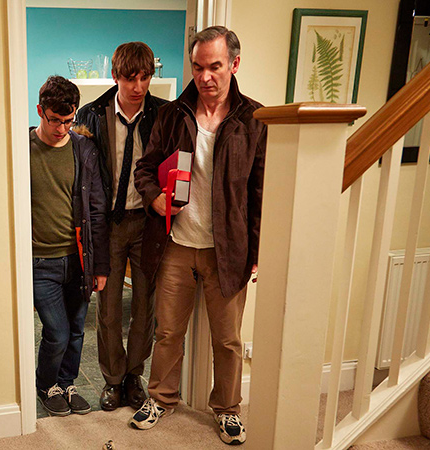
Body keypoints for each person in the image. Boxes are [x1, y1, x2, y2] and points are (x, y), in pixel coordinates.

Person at [129, 26, 266, 446]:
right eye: (198, 66)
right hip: (176, 246)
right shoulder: (173, 115)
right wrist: (154, 200)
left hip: (229, 251)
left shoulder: (254, 119)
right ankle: (162, 398)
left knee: (227, 340)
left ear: (234, 65)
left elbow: (261, 190)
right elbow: (145, 169)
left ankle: (227, 410)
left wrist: (259, 250)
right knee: (168, 332)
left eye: (215, 66)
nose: (205, 76)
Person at [74, 42, 167, 412]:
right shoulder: (91, 114)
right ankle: (112, 379)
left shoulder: (164, 114)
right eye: (130, 78)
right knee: (109, 308)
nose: (138, 86)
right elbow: (81, 176)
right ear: (116, 76)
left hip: (148, 223)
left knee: (145, 304)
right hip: (107, 226)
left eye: (145, 77)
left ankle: (134, 376)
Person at [31, 75, 109, 417]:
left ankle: (67, 383)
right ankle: (45, 384)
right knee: (57, 332)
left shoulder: (83, 149)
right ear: (40, 111)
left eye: (68, 120)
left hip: (78, 260)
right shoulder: (22, 149)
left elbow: (97, 210)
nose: (61, 128)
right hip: (39, 261)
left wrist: (101, 266)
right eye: (54, 120)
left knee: (77, 329)